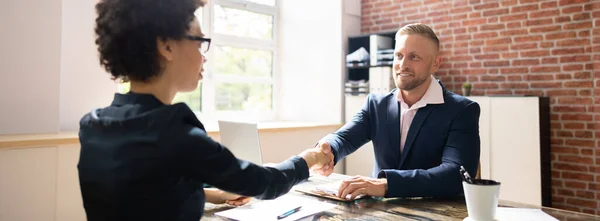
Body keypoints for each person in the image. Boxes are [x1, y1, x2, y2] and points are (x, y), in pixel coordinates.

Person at [77, 0, 331, 220]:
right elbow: (265, 183)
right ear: (166, 46)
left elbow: (143, 192)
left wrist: (215, 194)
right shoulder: (175, 134)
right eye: (200, 42)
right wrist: (310, 158)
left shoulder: (93, 125)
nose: (204, 56)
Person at [312, 23, 481, 200]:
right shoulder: (376, 104)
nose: (403, 65)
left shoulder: (462, 110)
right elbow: (344, 138)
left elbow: (456, 174)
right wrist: (328, 148)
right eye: (398, 55)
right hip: (379, 212)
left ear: (435, 64)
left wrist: (387, 184)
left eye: (414, 57)